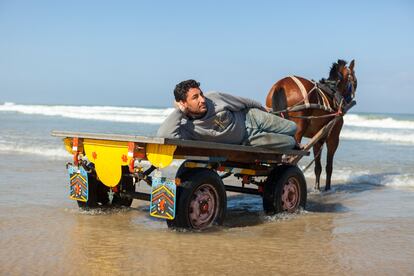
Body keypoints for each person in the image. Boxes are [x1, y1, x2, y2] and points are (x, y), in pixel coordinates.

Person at [157, 79, 297, 150]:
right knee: (290, 143)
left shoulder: (214, 97)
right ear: (183, 103)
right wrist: (179, 111)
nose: (202, 99)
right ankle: (295, 144)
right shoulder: (188, 128)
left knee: (292, 128)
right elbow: (164, 135)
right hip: (248, 139)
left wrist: (264, 110)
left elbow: (245, 102)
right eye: (195, 97)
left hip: (251, 117)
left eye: (201, 94)